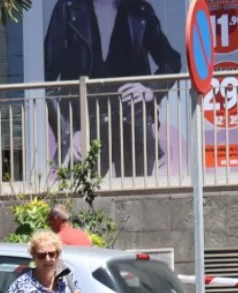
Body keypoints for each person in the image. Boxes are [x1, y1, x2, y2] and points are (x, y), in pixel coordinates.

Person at [44, 0, 181, 176]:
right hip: (86, 122)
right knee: (83, 197)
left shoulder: (140, 10)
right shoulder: (68, 8)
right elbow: (47, 77)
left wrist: (151, 88)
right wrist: (69, 133)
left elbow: (171, 60)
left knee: (135, 195)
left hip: (134, 120)